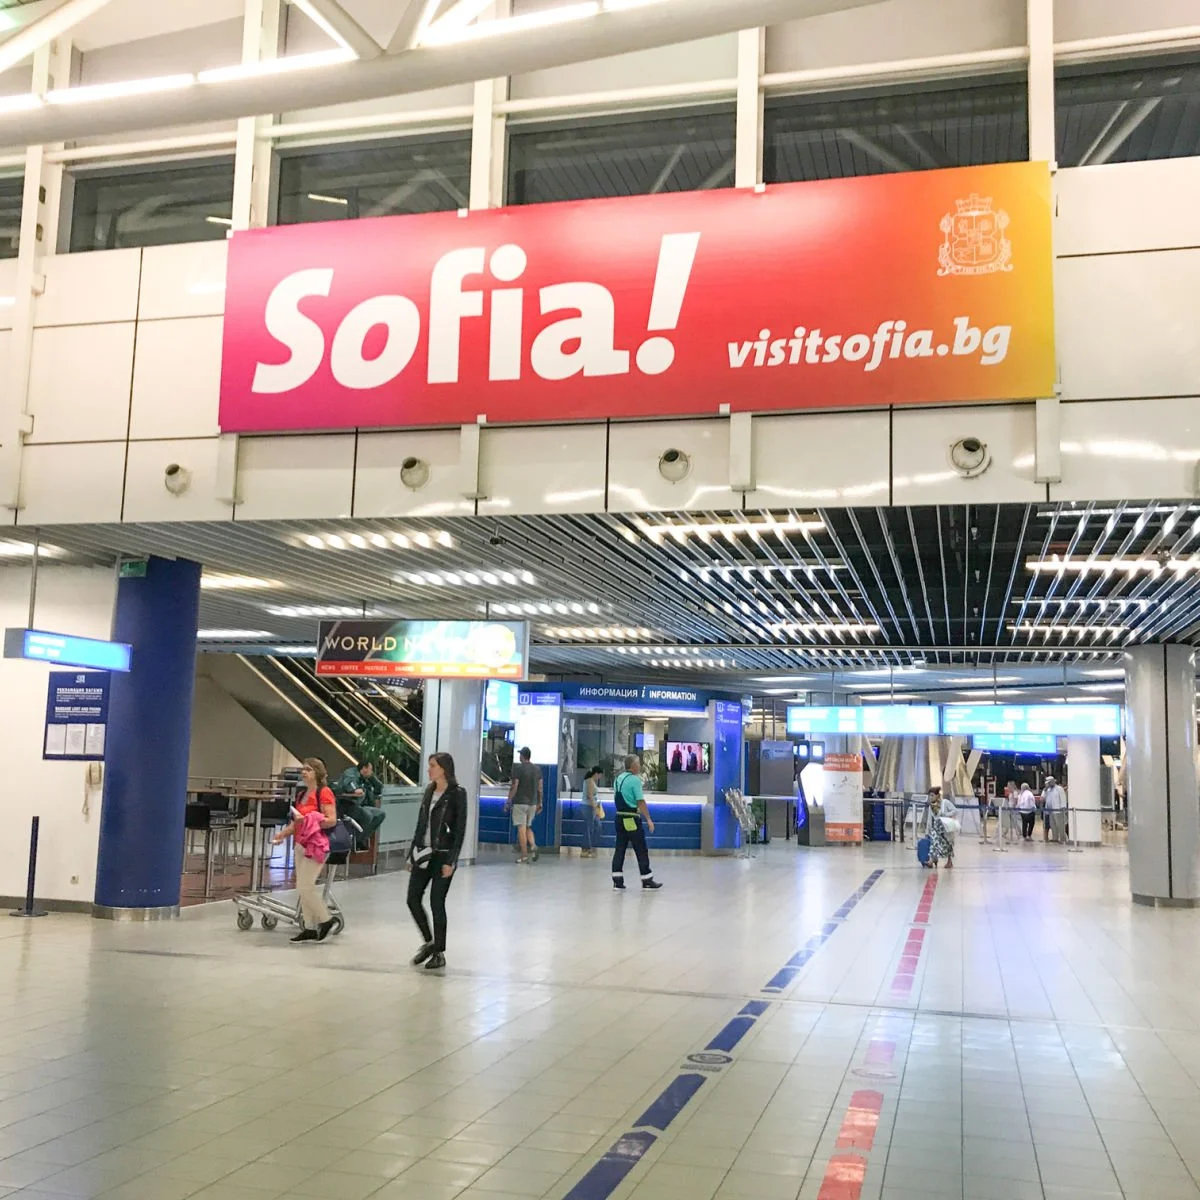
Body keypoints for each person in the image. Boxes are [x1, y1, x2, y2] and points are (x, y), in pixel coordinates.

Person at [407, 753, 467, 972]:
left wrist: (451, 860)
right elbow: (421, 824)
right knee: (412, 899)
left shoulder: (457, 794)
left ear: (443, 768)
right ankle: (429, 941)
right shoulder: (429, 791)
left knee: (436, 902)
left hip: (443, 854)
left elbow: (459, 830)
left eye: (432, 766)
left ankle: (439, 952)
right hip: (423, 854)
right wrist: (411, 853)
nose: (429, 769)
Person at [273, 757, 337, 943]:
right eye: (303, 769)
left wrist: (311, 820)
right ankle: (309, 926)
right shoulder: (302, 795)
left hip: (316, 844)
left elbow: (331, 819)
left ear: (317, 772)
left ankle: (326, 919)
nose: (304, 772)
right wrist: (283, 834)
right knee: (301, 887)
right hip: (301, 843)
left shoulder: (324, 793)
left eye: (308, 769)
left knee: (306, 885)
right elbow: (296, 822)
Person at [611, 755, 663, 891]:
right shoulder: (634, 780)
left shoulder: (618, 779)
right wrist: (649, 819)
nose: (640, 765)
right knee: (640, 849)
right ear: (633, 766)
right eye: (638, 763)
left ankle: (617, 881)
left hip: (619, 818)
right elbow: (640, 801)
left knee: (620, 849)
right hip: (631, 818)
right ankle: (647, 879)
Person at [334, 760, 385, 848]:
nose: (371, 772)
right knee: (367, 816)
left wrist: (371, 777)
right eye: (370, 769)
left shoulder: (364, 776)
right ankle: (353, 843)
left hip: (358, 805)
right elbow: (352, 786)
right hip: (345, 805)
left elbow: (379, 786)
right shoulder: (351, 773)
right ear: (364, 768)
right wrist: (355, 789)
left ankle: (360, 839)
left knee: (380, 814)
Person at [506, 747, 543, 864]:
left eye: (520, 754)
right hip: (532, 803)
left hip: (520, 802)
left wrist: (508, 801)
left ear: (522, 756)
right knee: (527, 826)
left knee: (521, 828)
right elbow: (540, 788)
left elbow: (515, 786)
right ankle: (533, 845)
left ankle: (524, 855)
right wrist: (540, 802)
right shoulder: (537, 769)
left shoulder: (518, 769)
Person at [923, 793, 953, 870]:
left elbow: (954, 811)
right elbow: (929, 819)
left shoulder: (945, 803)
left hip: (945, 827)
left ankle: (949, 861)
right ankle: (931, 861)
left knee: (947, 844)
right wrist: (927, 831)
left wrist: (947, 814)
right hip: (936, 828)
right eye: (930, 796)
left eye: (932, 795)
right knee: (934, 843)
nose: (930, 797)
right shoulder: (931, 806)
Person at [581, 766, 604, 858]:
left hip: (591, 807)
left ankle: (589, 847)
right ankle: (586, 849)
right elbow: (590, 796)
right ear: (596, 774)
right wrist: (595, 808)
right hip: (588, 807)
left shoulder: (590, 781)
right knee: (588, 829)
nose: (600, 778)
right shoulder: (590, 781)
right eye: (600, 775)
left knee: (595, 826)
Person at [1043, 776, 1068, 844]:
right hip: (1050, 810)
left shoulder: (1059, 789)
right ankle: (1055, 838)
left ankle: (1063, 839)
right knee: (1053, 825)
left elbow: (1063, 798)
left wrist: (1063, 808)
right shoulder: (1048, 790)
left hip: (1058, 810)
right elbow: (1044, 798)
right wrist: (1045, 790)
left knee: (1060, 825)